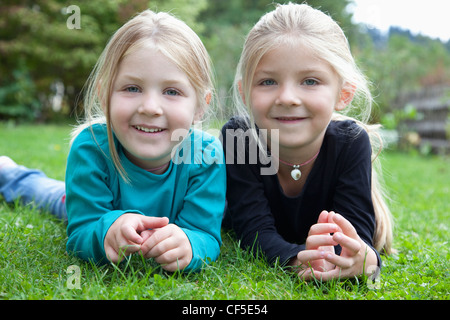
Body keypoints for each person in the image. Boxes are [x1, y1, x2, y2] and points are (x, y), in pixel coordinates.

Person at [0, 10, 226, 273]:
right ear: (104, 94)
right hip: (98, 205)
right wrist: (107, 230)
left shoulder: (206, 155)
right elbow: (82, 229)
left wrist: (191, 244)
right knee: (50, 195)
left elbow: (206, 234)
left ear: (200, 106)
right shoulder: (92, 148)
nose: (151, 107)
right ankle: (9, 173)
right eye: (132, 88)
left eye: (172, 91)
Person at [221, 3, 393, 281]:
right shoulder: (240, 138)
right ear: (244, 92)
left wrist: (364, 259)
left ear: (344, 94)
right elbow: (253, 231)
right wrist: (299, 261)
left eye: (310, 81)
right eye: (267, 82)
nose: (287, 97)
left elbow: (356, 236)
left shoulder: (350, 142)